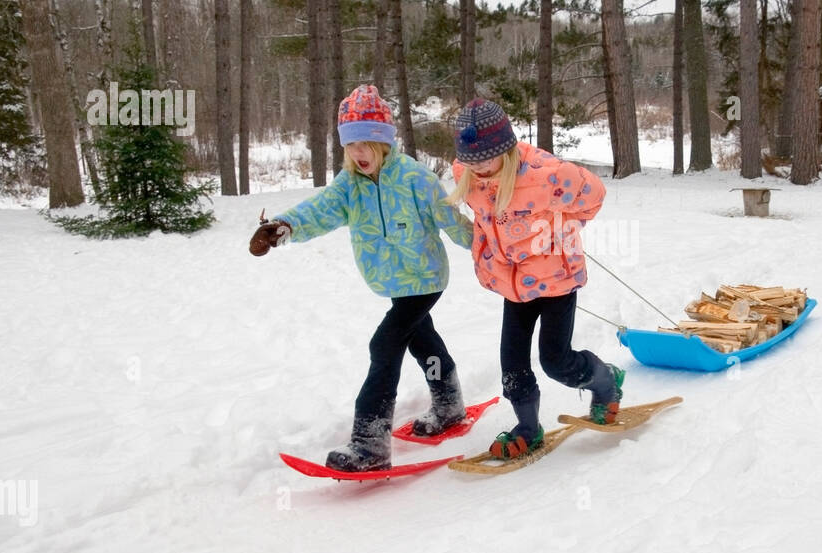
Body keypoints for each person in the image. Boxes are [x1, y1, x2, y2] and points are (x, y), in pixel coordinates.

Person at [250, 85, 474, 471]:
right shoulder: (349, 183)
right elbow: (319, 209)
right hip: (391, 282)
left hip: (424, 279)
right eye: (351, 144)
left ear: (385, 141)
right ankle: (449, 405)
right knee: (423, 342)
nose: (359, 153)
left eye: (367, 142)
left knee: (384, 346)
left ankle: (370, 445)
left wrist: (496, 250)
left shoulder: (416, 179)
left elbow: (452, 221)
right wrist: (285, 226)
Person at [446, 98, 624, 459]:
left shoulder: (546, 174)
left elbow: (594, 196)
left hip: (556, 280)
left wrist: (561, 230)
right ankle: (528, 426)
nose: (477, 167)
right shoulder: (464, 173)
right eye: (470, 159)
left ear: (505, 148)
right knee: (512, 365)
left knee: (556, 362)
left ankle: (606, 382)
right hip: (513, 286)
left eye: (484, 158)